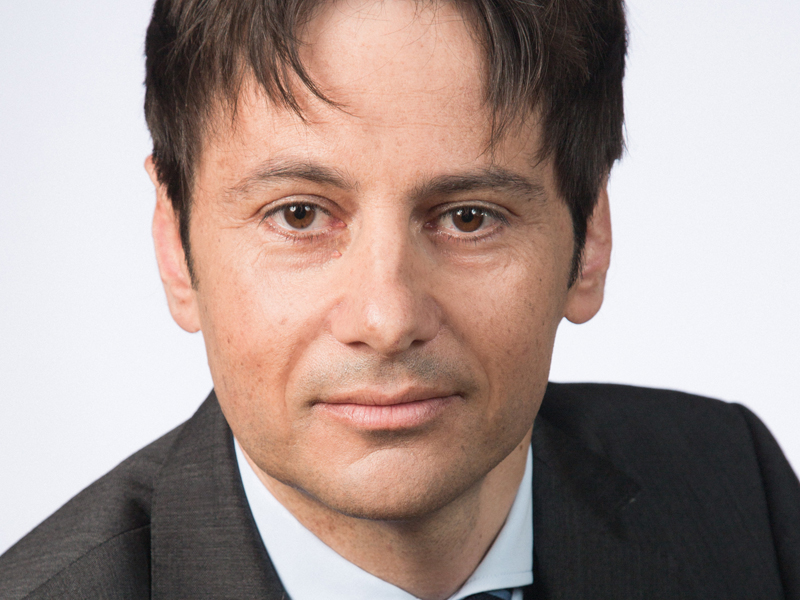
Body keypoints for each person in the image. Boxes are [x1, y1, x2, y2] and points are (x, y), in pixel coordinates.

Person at [1, 0, 798, 598]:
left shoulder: (737, 492)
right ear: (176, 246)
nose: (386, 320)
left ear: (588, 241)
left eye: (469, 218)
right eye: (299, 215)